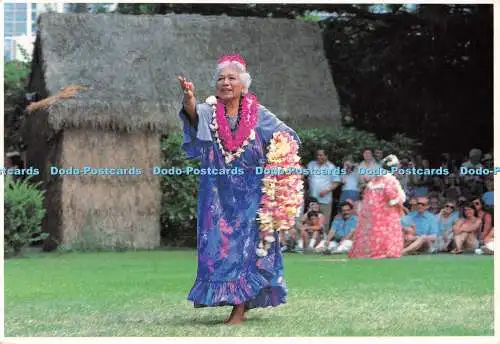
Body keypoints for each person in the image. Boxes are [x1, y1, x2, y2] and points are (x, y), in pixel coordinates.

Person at [178, 54, 300, 325]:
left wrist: (279, 168)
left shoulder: (260, 115)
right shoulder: (209, 111)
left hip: (251, 195)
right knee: (218, 250)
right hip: (216, 196)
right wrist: (188, 99)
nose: (225, 82)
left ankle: (239, 309)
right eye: (221, 78)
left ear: (243, 85)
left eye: (231, 78)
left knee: (246, 251)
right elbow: (192, 114)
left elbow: (289, 138)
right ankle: (229, 298)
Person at [349, 155, 406, 259]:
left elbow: (367, 195)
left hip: (374, 212)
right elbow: (391, 195)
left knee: (375, 231)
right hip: (387, 211)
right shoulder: (389, 179)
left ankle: (374, 250)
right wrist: (399, 201)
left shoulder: (375, 180)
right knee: (387, 230)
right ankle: (387, 251)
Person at [306, 150, 341, 232]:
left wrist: (326, 190)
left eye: (321, 155)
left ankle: (323, 240)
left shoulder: (331, 167)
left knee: (324, 221)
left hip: (325, 199)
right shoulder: (311, 164)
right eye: (318, 155)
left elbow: (337, 182)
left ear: (326, 156)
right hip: (312, 199)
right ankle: (311, 241)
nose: (319, 157)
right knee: (311, 220)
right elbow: (306, 177)